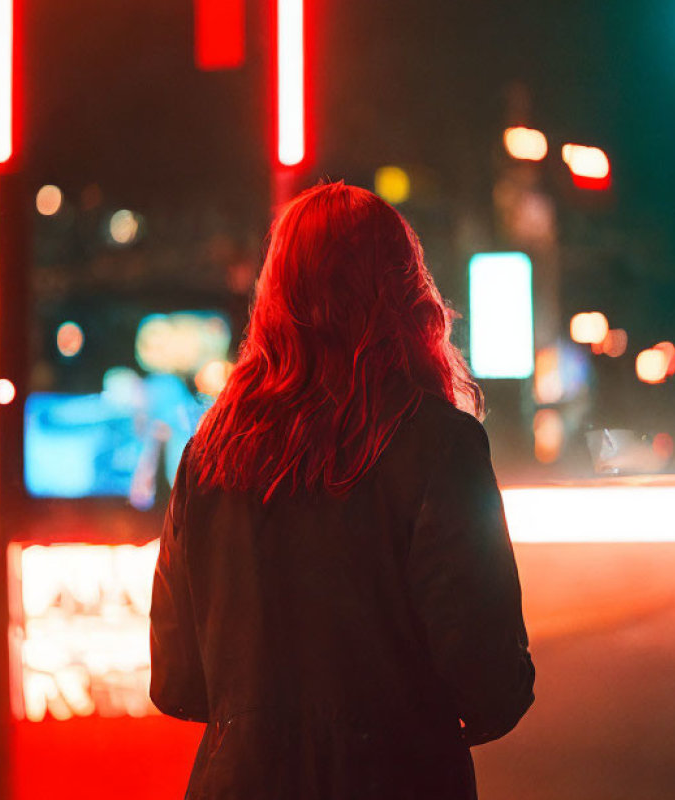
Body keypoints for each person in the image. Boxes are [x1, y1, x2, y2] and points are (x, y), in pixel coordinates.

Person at [150, 181, 534, 800]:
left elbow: (177, 682)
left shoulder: (211, 454)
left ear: (274, 297)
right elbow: (489, 683)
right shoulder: (438, 444)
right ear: (405, 295)